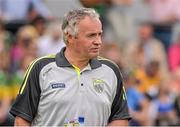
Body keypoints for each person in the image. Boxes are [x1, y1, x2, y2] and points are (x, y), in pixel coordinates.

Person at [9, 8, 131, 126]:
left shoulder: (111, 70)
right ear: (69, 37)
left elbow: (120, 118)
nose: (98, 41)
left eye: (100, 35)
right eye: (91, 35)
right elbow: (21, 120)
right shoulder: (40, 68)